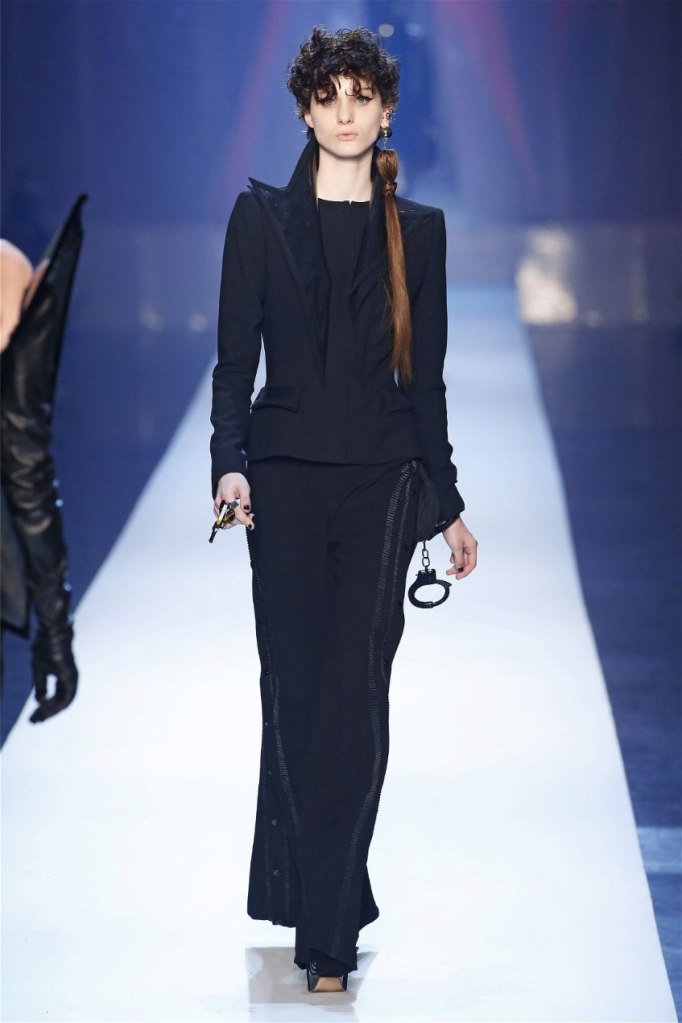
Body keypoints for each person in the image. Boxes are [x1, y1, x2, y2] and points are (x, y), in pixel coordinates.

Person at [209, 26, 477, 993]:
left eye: (363, 96)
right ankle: (327, 891)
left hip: (381, 482)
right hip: (282, 481)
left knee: (356, 699)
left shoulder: (421, 232)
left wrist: (446, 501)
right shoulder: (260, 219)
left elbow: (426, 380)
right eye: (330, 97)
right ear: (305, 110)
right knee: (296, 694)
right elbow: (234, 363)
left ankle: (328, 932)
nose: (347, 113)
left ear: (387, 109)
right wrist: (229, 466)